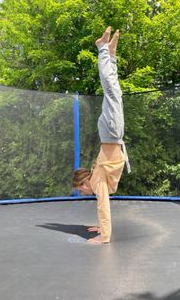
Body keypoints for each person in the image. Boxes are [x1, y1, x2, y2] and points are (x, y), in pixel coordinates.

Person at [72, 26, 131, 244]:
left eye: (81, 191)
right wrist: (99, 226)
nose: (83, 193)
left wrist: (104, 236)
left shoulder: (96, 181)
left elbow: (103, 204)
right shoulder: (97, 176)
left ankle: (103, 49)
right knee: (114, 91)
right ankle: (111, 54)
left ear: (83, 183)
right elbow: (104, 197)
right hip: (110, 134)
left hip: (111, 133)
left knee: (112, 90)